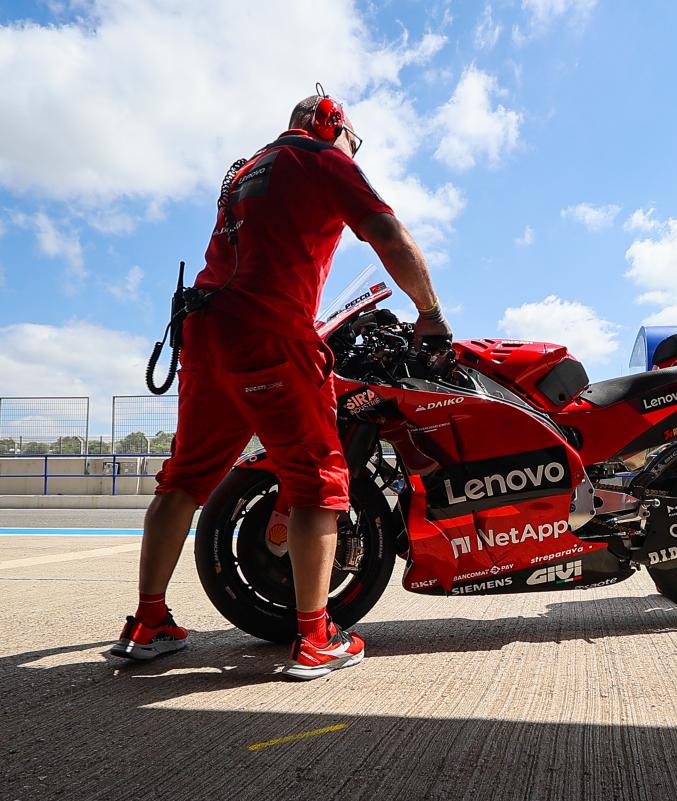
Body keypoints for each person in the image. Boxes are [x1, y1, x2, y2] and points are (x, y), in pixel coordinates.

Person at [110, 88, 452, 680]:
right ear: (331, 123)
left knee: (183, 480)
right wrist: (431, 312)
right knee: (318, 482)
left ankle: (148, 622)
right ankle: (316, 639)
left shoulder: (246, 171)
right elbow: (388, 235)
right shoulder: (322, 158)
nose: (353, 150)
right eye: (353, 139)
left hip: (206, 331)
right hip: (268, 332)